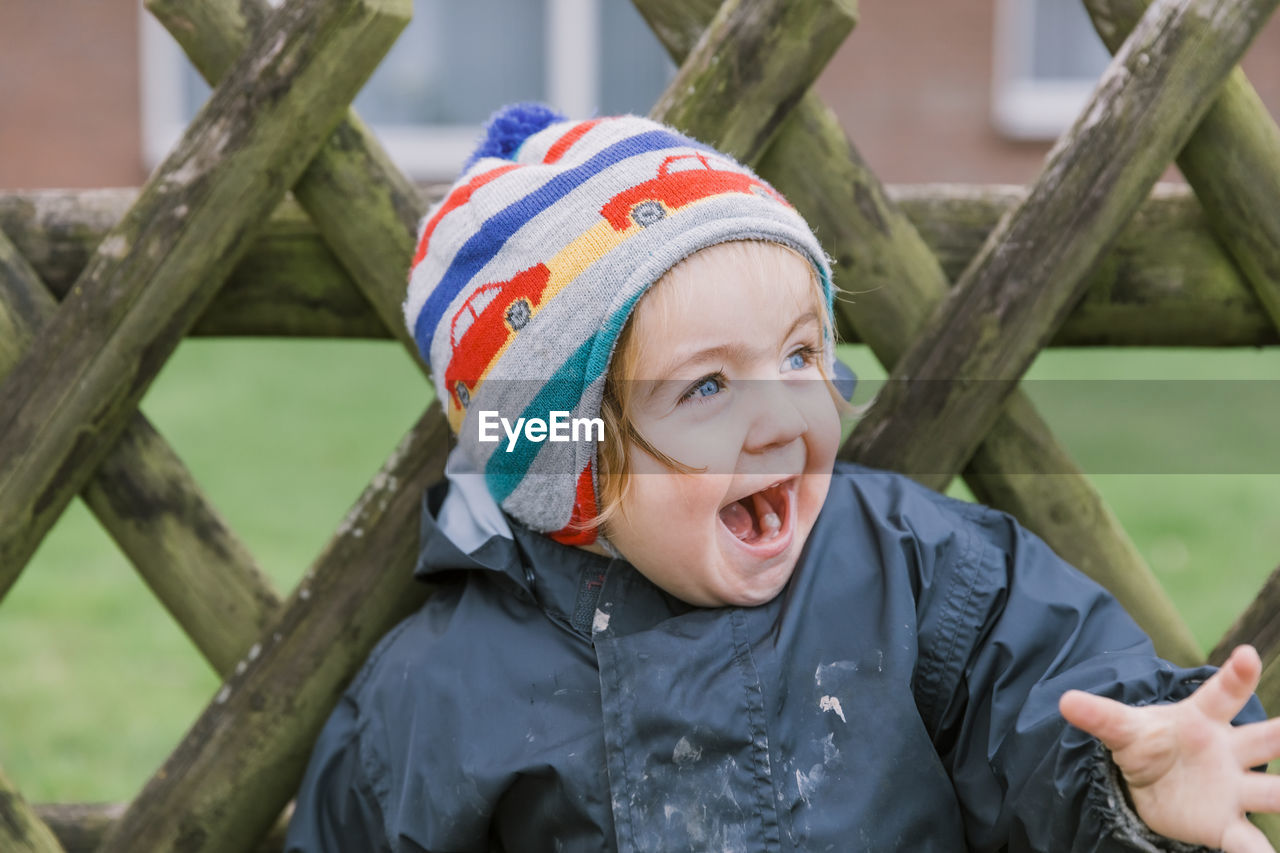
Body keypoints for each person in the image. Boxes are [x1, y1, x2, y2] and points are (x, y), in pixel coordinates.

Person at [285, 103, 1280, 852]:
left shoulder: (924, 580)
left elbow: (1055, 704)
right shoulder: (434, 696)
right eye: (708, 384)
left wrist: (1133, 780)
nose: (782, 416)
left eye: (801, 357)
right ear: (567, 461)